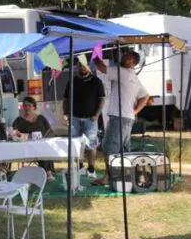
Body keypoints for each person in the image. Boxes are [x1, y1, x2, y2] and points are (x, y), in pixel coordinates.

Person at [92, 51, 150, 186]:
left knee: (108, 148)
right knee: (124, 150)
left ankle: (109, 177)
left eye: (127, 57)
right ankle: (127, 177)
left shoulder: (123, 72)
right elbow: (145, 96)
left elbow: (102, 68)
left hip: (119, 117)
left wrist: (94, 54)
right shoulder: (134, 77)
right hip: (128, 118)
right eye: (124, 55)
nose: (123, 57)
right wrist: (135, 111)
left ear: (133, 62)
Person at [63, 61, 106, 179]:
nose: (81, 68)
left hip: (90, 119)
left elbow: (102, 99)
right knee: (76, 144)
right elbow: (66, 99)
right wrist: (66, 113)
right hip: (74, 118)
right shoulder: (72, 81)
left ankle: (91, 169)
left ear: (88, 67)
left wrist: (97, 114)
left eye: (84, 65)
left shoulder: (96, 81)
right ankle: (80, 167)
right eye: (79, 65)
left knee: (91, 144)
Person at [13, 96, 55, 181]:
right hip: (27, 147)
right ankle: (46, 172)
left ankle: (48, 172)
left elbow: (51, 131)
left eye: (29, 105)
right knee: (43, 148)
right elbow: (13, 133)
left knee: (45, 147)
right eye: (25, 106)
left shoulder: (41, 118)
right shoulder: (19, 120)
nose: (27, 108)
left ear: (34, 107)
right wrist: (19, 135)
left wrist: (45, 138)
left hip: (42, 144)